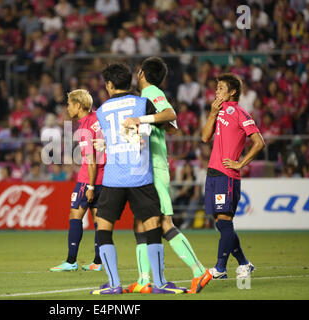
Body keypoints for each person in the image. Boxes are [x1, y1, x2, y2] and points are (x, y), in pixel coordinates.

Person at [90, 62, 186, 295]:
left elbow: (108, 139)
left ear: (110, 85)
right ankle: (160, 283)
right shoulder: (142, 102)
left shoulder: (101, 111)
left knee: (104, 228)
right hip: (140, 176)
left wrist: (106, 144)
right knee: (152, 226)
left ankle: (114, 285)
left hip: (113, 178)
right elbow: (170, 118)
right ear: (130, 81)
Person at [123, 57, 211, 294]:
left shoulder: (151, 91)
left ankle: (199, 270)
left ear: (141, 73)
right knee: (140, 223)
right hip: (146, 166)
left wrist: (140, 120)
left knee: (163, 222)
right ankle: (143, 280)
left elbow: (170, 114)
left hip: (154, 166)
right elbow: (169, 125)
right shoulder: (145, 97)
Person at [201, 73, 265, 280]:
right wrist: (212, 113)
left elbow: (259, 142)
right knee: (221, 223)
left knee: (225, 221)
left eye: (221, 88)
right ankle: (245, 264)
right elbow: (204, 138)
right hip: (213, 172)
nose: (216, 91)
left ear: (233, 91)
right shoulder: (218, 111)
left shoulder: (241, 113)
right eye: (216, 87)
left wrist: (240, 164)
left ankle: (220, 268)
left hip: (227, 175)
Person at [49, 89, 105, 272]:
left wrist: (89, 185)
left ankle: (71, 260)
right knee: (98, 218)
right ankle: (98, 262)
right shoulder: (99, 118)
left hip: (88, 178)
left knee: (75, 215)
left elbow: (90, 160)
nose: (67, 108)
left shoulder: (83, 129)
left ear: (78, 106)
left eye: (69, 104)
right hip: (105, 177)